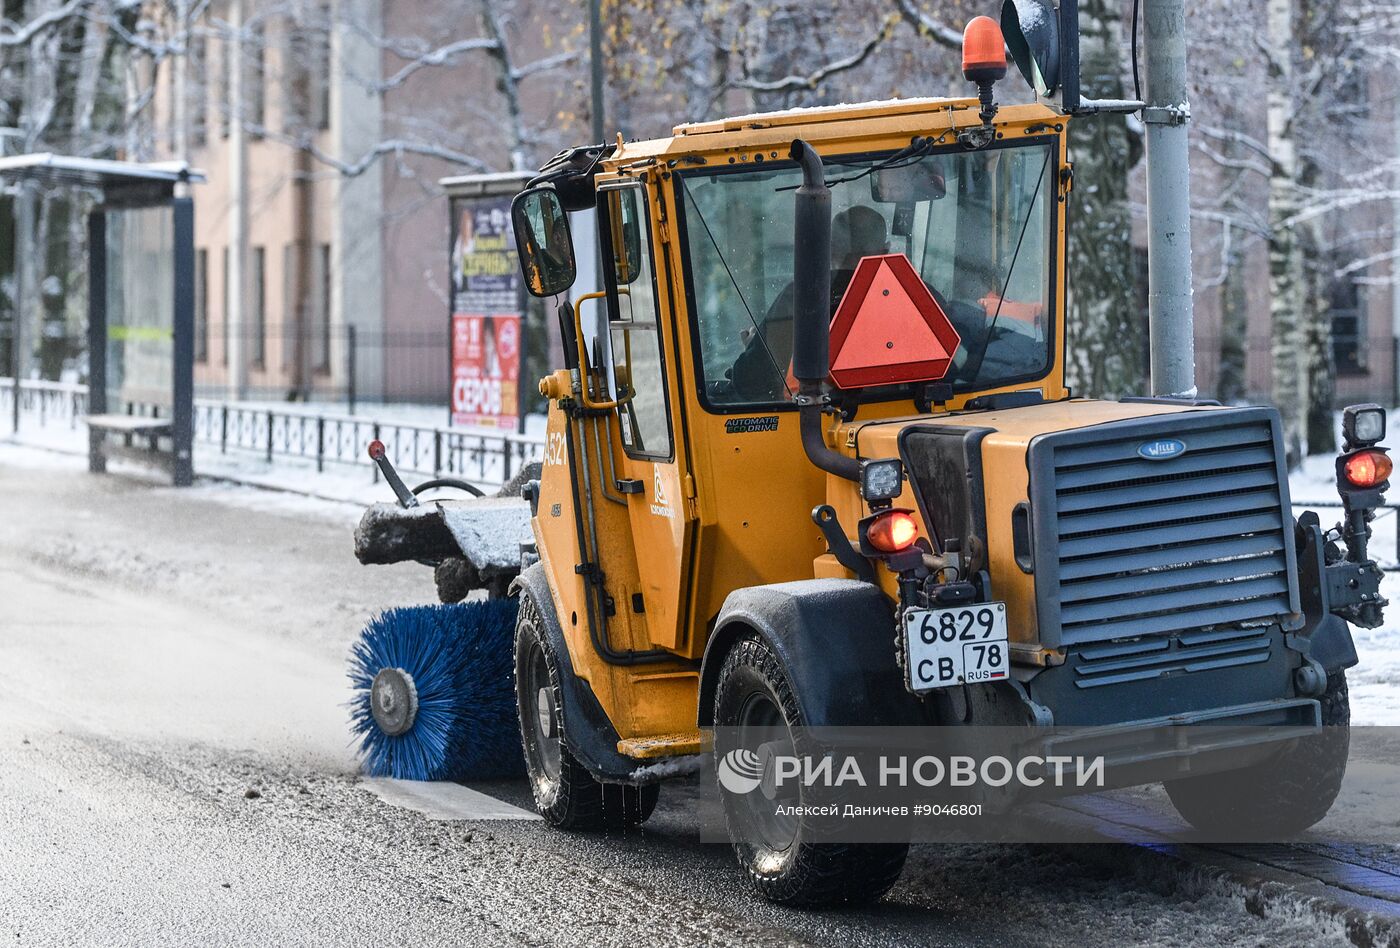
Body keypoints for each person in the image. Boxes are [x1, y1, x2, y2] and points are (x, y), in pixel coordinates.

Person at [728, 206, 890, 401]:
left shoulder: (801, 297)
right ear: (886, 250)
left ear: (828, 249)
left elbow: (751, 381)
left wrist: (756, 347)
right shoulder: (917, 299)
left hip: (812, 421)